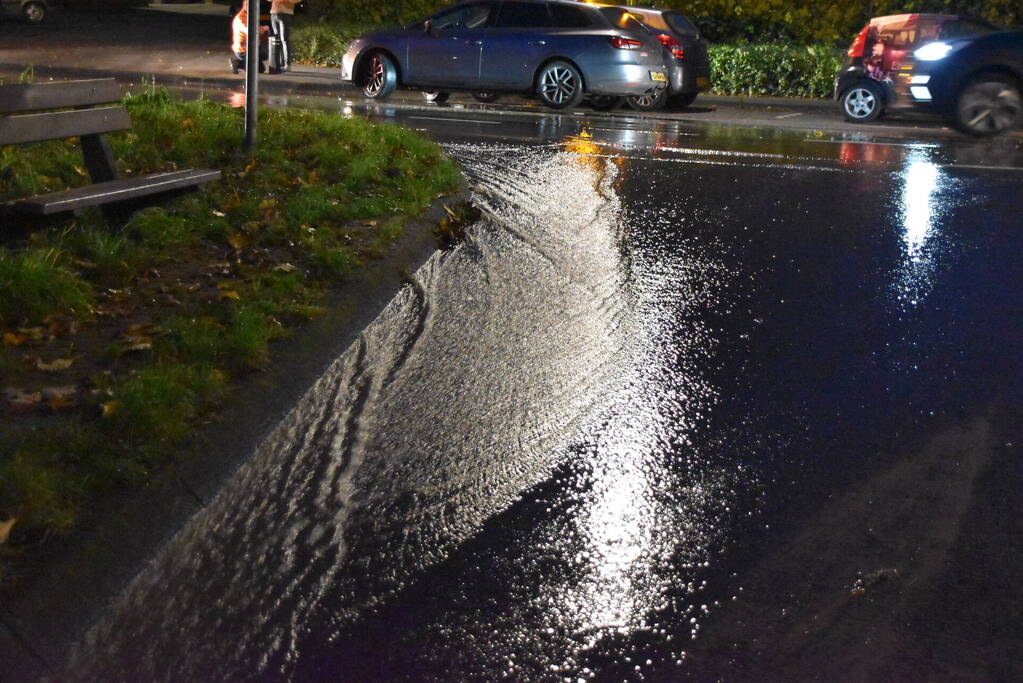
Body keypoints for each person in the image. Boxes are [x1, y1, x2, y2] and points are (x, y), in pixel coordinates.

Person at [230, 6, 269, 74]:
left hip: (248, 47)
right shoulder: (241, 18)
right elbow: (251, 31)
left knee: (261, 69)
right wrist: (264, 28)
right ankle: (239, 63)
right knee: (265, 54)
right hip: (243, 50)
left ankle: (244, 63)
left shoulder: (247, 16)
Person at [269, 0, 300, 73]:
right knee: (277, 40)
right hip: (274, 13)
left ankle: (287, 64)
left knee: (284, 39)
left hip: (285, 14)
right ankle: (278, 64)